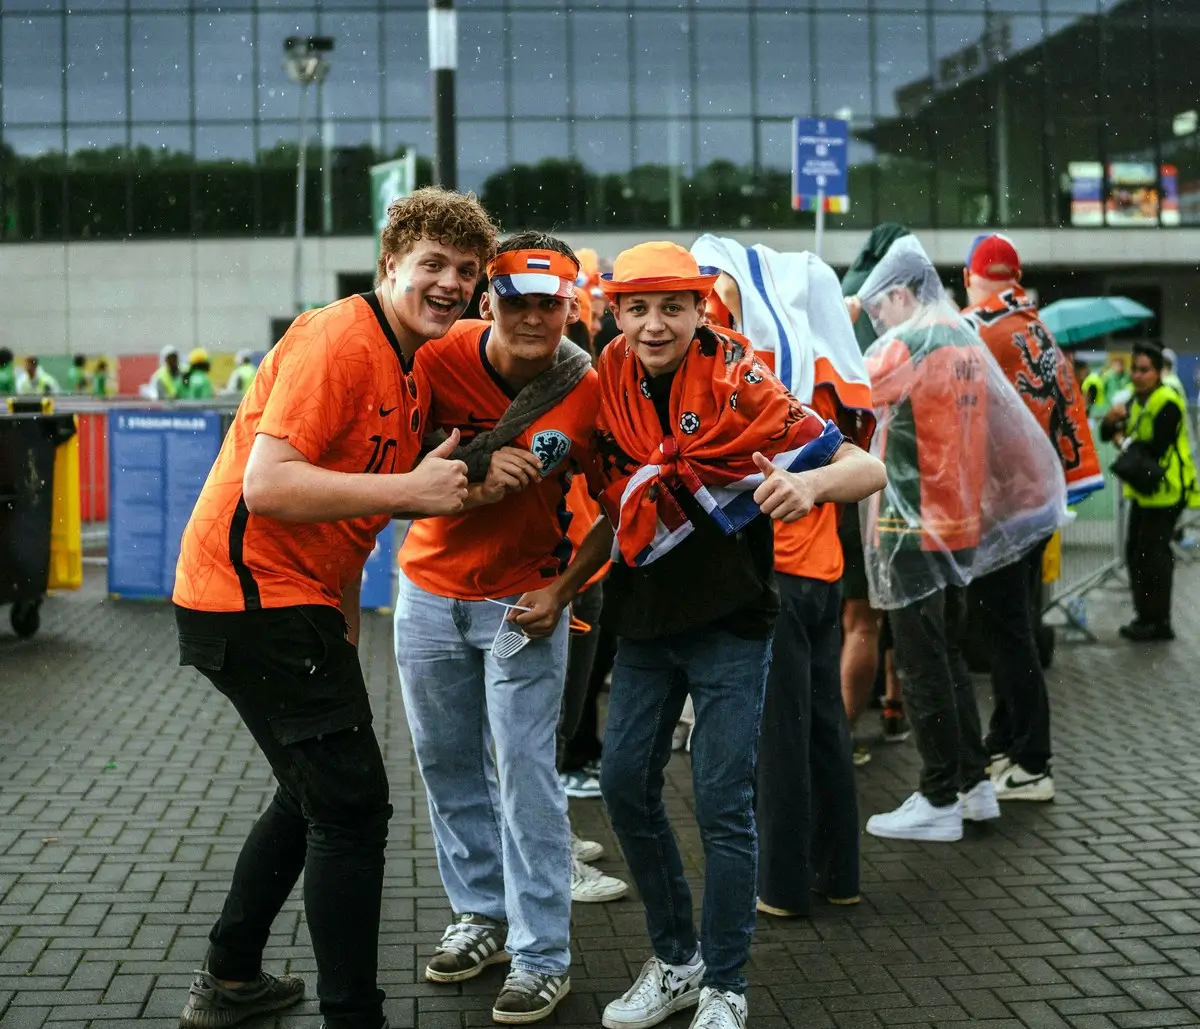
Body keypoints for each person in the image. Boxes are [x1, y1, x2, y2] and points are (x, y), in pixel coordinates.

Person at [170, 186, 499, 1029]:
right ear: (391, 266)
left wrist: (345, 620)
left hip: (292, 603)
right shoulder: (337, 337)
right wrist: (414, 488)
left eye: (465, 270)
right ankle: (355, 1017)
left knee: (308, 794)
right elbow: (270, 484)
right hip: (248, 599)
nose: (450, 283)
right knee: (353, 809)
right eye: (432, 264)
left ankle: (232, 978)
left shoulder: (409, 363)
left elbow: (343, 511)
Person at [543, 242, 885, 1029]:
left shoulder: (741, 379)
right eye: (637, 307)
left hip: (733, 622)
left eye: (672, 306)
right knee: (626, 783)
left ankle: (726, 983)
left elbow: (866, 469)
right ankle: (677, 959)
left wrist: (806, 481)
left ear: (702, 308)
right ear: (616, 312)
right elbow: (611, 508)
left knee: (723, 801)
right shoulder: (606, 382)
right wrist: (561, 589)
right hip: (646, 622)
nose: (653, 324)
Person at [394, 232, 625, 1026]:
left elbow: (623, 508)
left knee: (527, 772)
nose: (533, 317)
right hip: (425, 591)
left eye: (549, 303)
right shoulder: (437, 356)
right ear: (488, 300)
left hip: (523, 602)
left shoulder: (589, 387)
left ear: (572, 305)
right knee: (446, 761)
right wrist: (470, 469)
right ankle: (480, 917)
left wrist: (563, 590)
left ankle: (541, 956)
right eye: (517, 300)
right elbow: (392, 449)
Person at [857, 236, 1067, 843]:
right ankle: (974, 786)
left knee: (921, 662)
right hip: (959, 525)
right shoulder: (964, 341)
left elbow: (846, 399)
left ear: (899, 293)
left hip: (908, 526)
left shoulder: (904, 346)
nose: (877, 321)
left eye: (879, 308)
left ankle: (939, 793)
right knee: (947, 656)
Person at [690, 234, 875, 918]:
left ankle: (783, 886)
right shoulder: (826, 366)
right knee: (825, 725)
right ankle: (840, 871)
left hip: (778, 571)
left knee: (780, 735)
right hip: (822, 567)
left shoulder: (750, 367)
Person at [962, 233, 1102, 804]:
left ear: (974, 277)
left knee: (1006, 632)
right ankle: (1007, 739)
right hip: (1038, 501)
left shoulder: (981, 330)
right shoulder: (1035, 328)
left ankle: (1034, 761)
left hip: (1002, 506)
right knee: (1012, 625)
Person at [839, 223, 912, 760]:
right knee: (876, 613)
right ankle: (850, 729)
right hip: (887, 482)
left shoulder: (846, 297)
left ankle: (866, 715)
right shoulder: (902, 307)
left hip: (834, 472)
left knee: (851, 616)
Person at [1101, 341, 1197, 641]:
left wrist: (1122, 440)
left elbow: (1155, 447)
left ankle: (1159, 621)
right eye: (1135, 370)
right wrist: (1110, 421)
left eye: (1145, 370)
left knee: (1153, 555)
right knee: (1136, 552)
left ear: (1157, 373)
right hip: (1146, 490)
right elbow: (1108, 433)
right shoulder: (1133, 400)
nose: (1138, 375)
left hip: (1168, 489)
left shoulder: (1167, 401)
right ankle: (1145, 617)